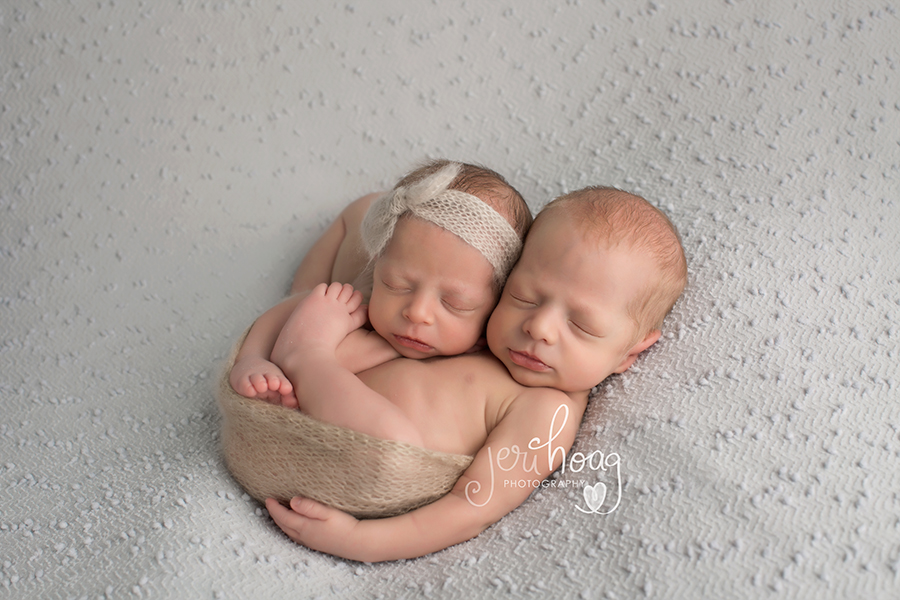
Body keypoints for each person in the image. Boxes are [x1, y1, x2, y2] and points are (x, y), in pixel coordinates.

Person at [264, 186, 688, 562]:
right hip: (291, 397)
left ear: (630, 352)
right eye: (523, 297)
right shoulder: (483, 332)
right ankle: (297, 320)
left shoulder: (547, 409)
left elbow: (472, 506)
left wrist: (361, 540)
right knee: (361, 218)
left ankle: (302, 350)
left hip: (355, 455)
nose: (538, 328)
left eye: (581, 326)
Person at [228, 160, 532, 408]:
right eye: (398, 285)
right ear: (378, 266)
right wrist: (251, 359)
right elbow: (291, 320)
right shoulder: (359, 301)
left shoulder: (491, 343)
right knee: (308, 297)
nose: (418, 312)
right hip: (352, 224)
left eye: (454, 303)